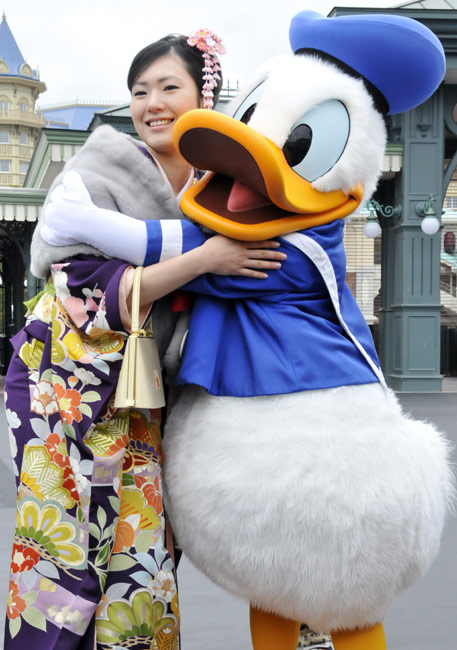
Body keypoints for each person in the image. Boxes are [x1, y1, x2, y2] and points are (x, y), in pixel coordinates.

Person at [3, 31, 285, 650]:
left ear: (203, 96)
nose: (152, 103)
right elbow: (86, 285)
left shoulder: (223, 189)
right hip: (64, 389)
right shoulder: (101, 168)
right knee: (62, 554)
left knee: (143, 558)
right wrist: (207, 258)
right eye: (140, 91)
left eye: (168, 88)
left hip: (148, 398)